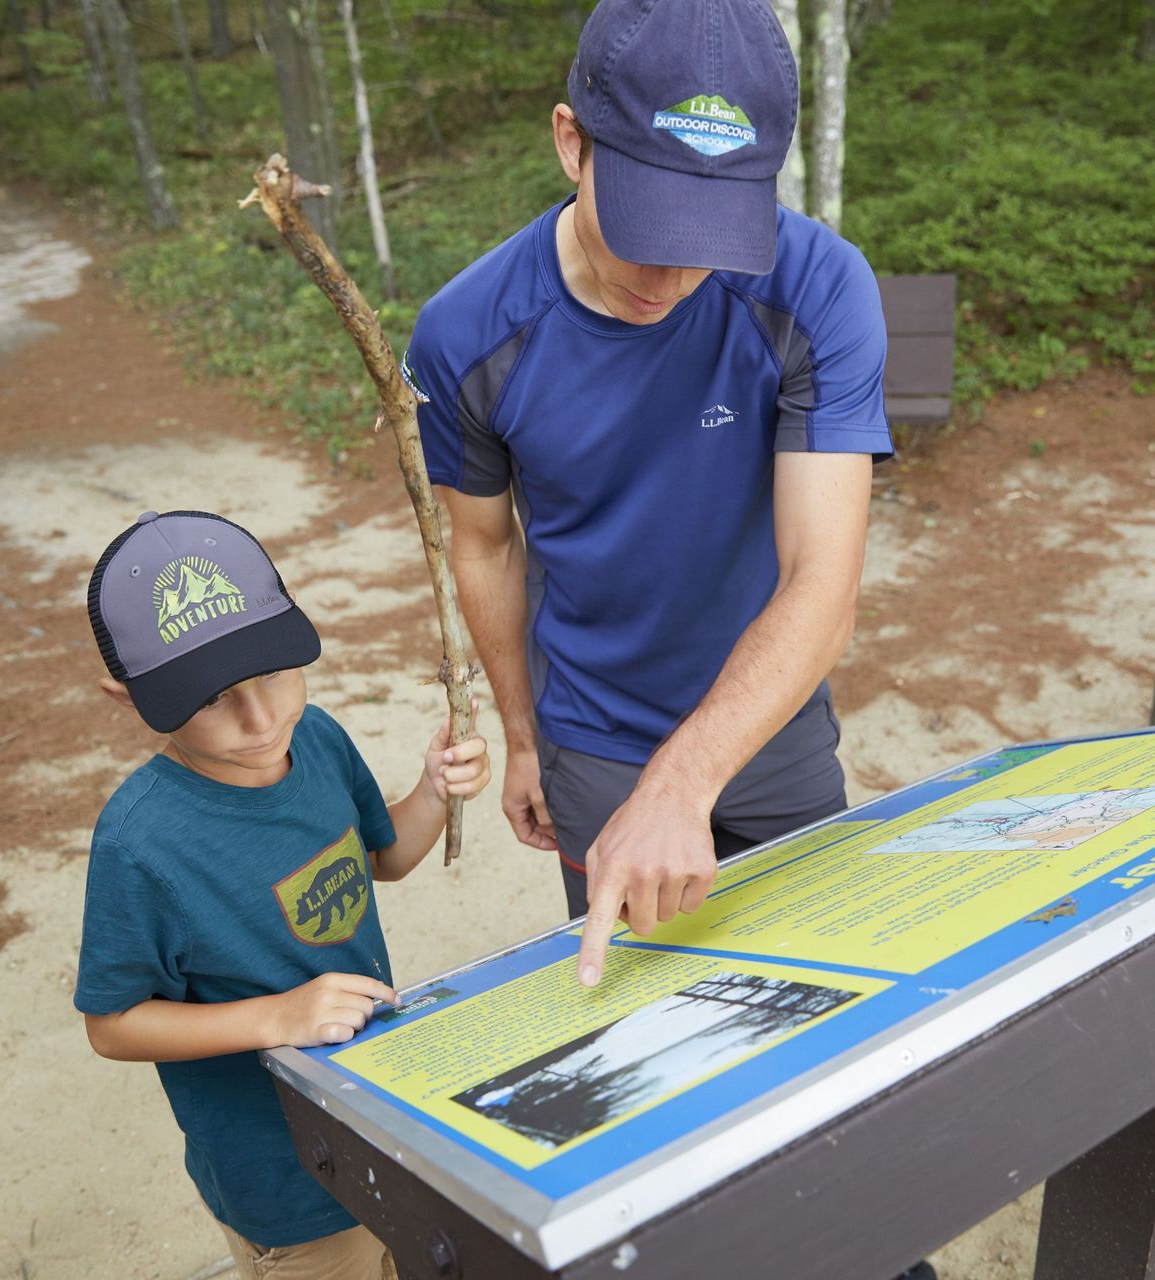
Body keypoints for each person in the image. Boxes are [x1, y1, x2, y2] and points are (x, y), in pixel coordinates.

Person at [403, 0, 888, 990]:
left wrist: (686, 778)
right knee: (646, 1023)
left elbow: (822, 585)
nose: (670, 276)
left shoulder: (819, 288)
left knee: (822, 996)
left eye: (710, 234)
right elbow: (486, 546)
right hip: (595, 733)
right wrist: (527, 737)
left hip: (774, 720)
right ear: (570, 142)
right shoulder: (466, 336)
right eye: (647, 227)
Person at [73, 509, 491, 1280]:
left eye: (271, 671)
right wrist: (279, 1019)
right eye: (211, 698)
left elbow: (383, 857)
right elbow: (113, 1023)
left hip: (384, 1115)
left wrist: (433, 792)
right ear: (127, 695)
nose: (260, 718)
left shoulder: (319, 738)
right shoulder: (141, 842)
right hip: (287, 1180)